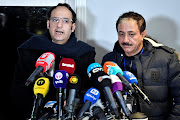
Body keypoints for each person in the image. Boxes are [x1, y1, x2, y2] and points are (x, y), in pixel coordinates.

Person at [12, 3, 95, 120]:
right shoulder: (30, 49)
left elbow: (88, 89)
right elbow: (18, 88)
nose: (59, 25)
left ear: (73, 27)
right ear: (48, 24)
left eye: (66, 21)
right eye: (55, 20)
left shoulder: (84, 53)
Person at [102, 11, 180, 120]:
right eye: (121, 34)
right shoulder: (109, 60)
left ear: (142, 34)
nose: (125, 40)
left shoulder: (167, 58)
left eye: (131, 34)